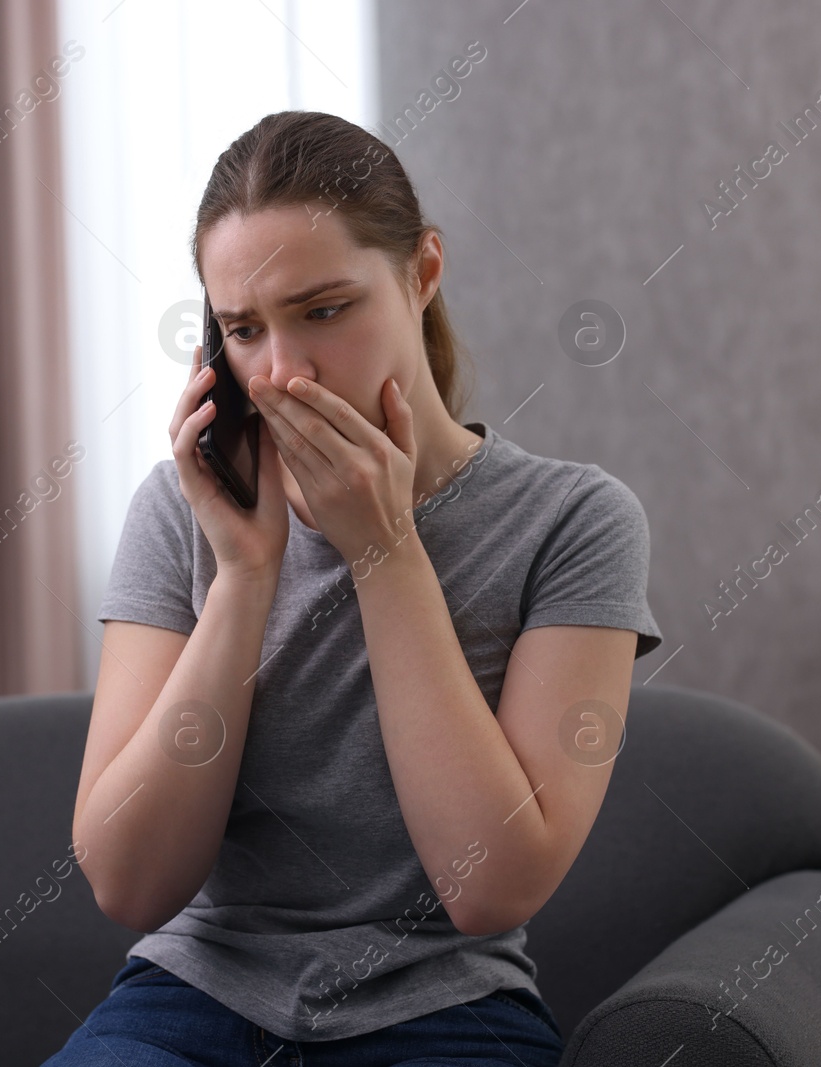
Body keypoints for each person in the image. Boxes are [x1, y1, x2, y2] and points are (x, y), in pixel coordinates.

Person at [45, 110, 663, 1067]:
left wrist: (384, 552)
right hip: (190, 998)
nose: (282, 371)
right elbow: (128, 883)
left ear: (422, 273)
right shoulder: (183, 513)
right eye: (245, 330)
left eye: (324, 310)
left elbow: (490, 886)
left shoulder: (575, 521)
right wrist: (245, 576)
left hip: (449, 1012)